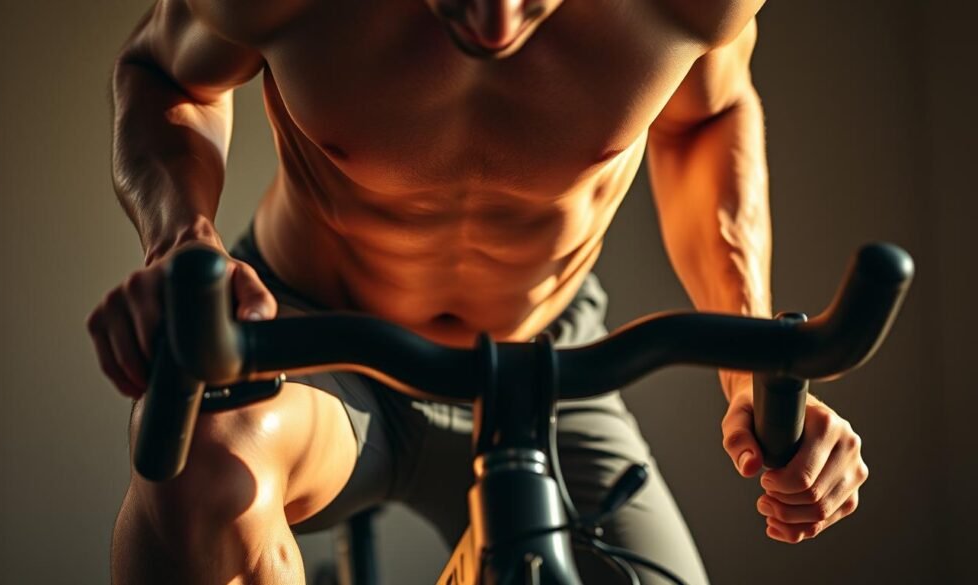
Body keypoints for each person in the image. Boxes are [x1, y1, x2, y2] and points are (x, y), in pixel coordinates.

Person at [87, 1, 869, 583]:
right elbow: (163, 72)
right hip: (319, 340)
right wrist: (181, 241)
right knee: (202, 471)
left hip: (550, 369)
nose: (495, 25)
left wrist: (751, 364)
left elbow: (711, 114)